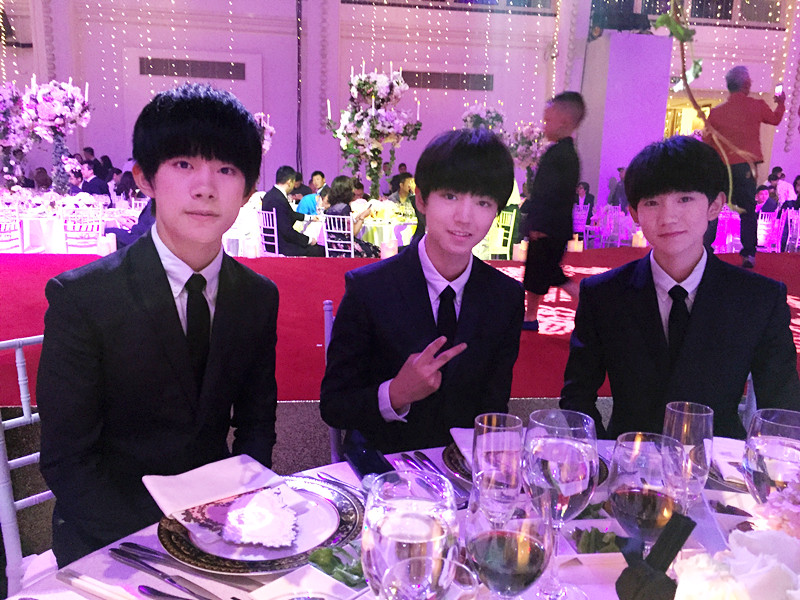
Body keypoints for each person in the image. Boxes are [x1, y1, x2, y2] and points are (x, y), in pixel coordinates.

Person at [37, 83, 280, 566]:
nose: (205, 187)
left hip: (219, 530)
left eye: (226, 169)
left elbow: (257, 425)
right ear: (144, 178)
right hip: (112, 540)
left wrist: (243, 511)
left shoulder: (257, 296)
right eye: (183, 164)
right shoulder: (84, 298)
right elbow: (68, 461)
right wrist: (164, 544)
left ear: (249, 190)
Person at [560, 136, 800, 440]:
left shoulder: (759, 299)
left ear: (715, 205)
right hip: (630, 458)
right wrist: (599, 455)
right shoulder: (604, 295)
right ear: (634, 213)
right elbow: (577, 398)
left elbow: (783, 407)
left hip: (717, 460)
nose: (668, 217)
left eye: (684, 199)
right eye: (652, 203)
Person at [320, 128, 524, 453]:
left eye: (483, 202)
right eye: (451, 196)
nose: (465, 217)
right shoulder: (369, 289)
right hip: (386, 461)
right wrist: (395, 394)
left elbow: (494, 406)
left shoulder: (505, 297)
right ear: (421, 199)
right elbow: (334, 405)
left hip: (464, 467)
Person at [703, 65, 786, 268]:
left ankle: (705, 248)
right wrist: (781, 103)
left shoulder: (716, 113)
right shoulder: (756, 106)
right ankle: (749, 254)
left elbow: (707, 143)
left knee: (714, 208)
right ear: (747, 84)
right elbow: (775, 119)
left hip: (722, 167)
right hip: (746, 168)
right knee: (748, 211)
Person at [521, 91, 585, 331]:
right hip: (551, 226)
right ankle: (530, 317)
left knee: (548, 274)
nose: (544, 125)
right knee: (540, 273)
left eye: (548, 120)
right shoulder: (562, 153)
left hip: (549, 227)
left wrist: (539, 225)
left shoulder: (562, 156)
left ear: (564, 123)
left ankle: (589, 305)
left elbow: (552, 195)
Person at [261, 165, 325, 256]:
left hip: (271, 242)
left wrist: (310, 217)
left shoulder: (269, 195)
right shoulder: (279, 199)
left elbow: (290, 214)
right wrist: (309, 240)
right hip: (282, 245)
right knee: (319, 250)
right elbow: (288, 232)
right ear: (289, 182)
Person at [324, 175, 379, 258]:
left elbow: (343, 226)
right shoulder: (344, 208)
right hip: (347, 247)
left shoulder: (330, 209)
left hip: (334, 247)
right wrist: (363, 217)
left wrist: (358, 216)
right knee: (376, 250)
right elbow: (353, 232)